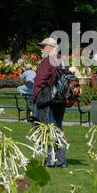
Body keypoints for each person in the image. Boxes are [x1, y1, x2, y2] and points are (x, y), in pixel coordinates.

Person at [32, 37, 67, 167]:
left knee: (47, 130)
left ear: (51, 47)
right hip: (60, 101)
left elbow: (40, 82)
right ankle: (61, 161)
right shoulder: (62, 61)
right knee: (58, 129)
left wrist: (35, 98)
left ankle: (50, 160)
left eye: (44, 46)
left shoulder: (47, 62)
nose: (41, 49)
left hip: (47, 101)